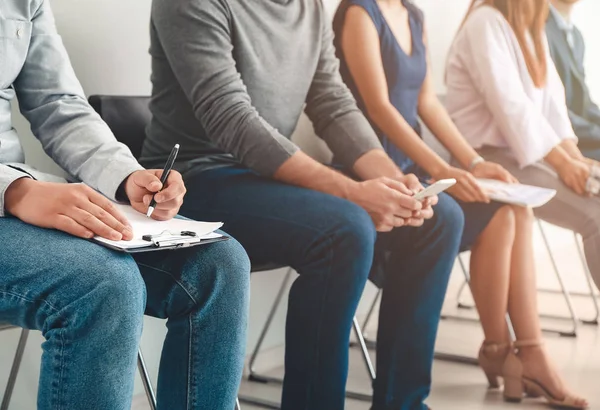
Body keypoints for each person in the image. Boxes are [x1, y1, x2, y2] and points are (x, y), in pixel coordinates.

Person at [142, 0, 467, 408]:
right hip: (197, 181)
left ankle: (403, 404)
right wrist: (352, 192)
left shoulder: (308, 5)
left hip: (265, 176)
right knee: (344, 229)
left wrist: (388, 178)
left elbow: (332, 102)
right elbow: (230, 117)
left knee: (440, 218)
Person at [333, 1, 587, 409]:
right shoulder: (360, 13)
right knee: (478, 213)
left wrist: (472, 162)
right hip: (371, 170)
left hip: (415, 168)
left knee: (509, 211)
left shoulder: (415, 16)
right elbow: (379, 107)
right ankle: (505, 356)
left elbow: (428, 103)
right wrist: (442, 165)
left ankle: (516, 350)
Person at [0, 1, 250, 409]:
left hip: (22, 195)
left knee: (219, 264)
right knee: (103, 284)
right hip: (11, 195)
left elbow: (59, 105)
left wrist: (126, 176)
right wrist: (13, 190)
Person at [446, 0, 594, 408]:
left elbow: (553, 109)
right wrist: (565, 165)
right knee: (596, 215)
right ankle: (527, 354)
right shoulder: (485, 24)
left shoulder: (531, 25)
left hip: (524, 156)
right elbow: (513, 112)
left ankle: (523, 354)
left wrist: (577, 162)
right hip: (488, 159)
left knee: (592, 199)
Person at [547, 0, 600, 161]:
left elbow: (583, 101)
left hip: (579, 135)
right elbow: (547, 106)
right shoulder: (537, 27)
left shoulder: (576, 36)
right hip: (559, 141)